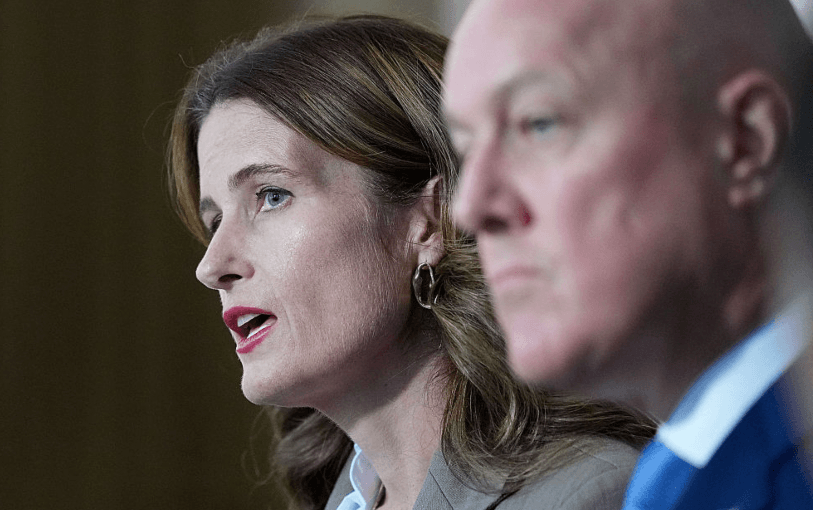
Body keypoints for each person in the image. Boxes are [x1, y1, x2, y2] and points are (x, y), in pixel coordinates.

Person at [168, 15, 656, 510]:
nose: (212, 266)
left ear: (427, 218)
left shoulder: (587, 496)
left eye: (271, 196)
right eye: (214, 221)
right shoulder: (343, 499)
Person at [443, 0, 813, 508]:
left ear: (746, 140)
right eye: (465, 149)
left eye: (539, 123)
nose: (470, 206)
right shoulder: (684, 467)